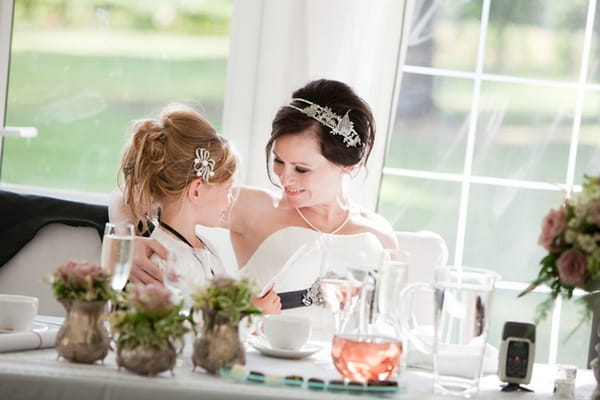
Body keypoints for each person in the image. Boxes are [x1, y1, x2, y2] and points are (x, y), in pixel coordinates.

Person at [111, 79, 398, 335]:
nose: (285, 179)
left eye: (301, 169)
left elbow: (390, 321)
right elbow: (140, 192)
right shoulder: (253, 207)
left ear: (347, 166)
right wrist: (129, 240)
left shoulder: (377, 235)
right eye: (278, 161)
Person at [116, 103, 239, 308]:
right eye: (227, 189)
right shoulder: (164, 260)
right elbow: (181, 328)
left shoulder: (207, 248)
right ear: (196, 190)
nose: (231, 199)